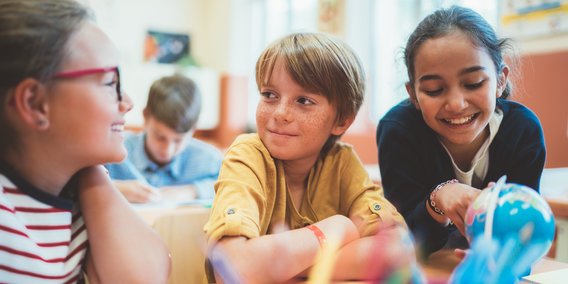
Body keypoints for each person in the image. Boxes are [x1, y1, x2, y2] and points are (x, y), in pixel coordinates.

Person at [204, 32, 410, 283]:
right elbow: (231, 269)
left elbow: (396, 251)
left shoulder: (341, 162)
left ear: (342, 120)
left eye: (304, 100)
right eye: (269, 95)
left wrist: (276, 265)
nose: (280, 113)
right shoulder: (248, 154)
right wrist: (337, 228)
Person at [0, 0, 170, 282]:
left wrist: (93, 173)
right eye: (109, 83)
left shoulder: (80, 198)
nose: (127, 102)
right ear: (35, 102)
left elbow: (146, 277)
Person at [376, 5, 546, 259]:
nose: (456, 104)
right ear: (413, 95)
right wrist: (438, 200)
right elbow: (403, 239)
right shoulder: (398, 131)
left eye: (473, 83)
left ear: (500, 80)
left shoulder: (523, 131)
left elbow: (525, 229)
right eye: (434, 89)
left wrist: (501, 256)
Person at [105, 74, 222, 203]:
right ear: (145, 117)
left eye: (178, 140)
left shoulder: (209, 160)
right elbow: (80, 182)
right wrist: (115, 188)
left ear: (193, 129)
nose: (167, 150)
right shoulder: (113, 150)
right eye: (160, 137)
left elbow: (232, 185)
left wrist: (192, 191)